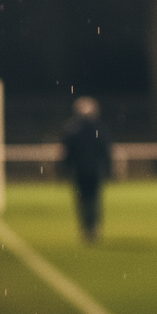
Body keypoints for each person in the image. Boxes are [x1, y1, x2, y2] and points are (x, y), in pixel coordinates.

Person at [60, 96, 111, 242]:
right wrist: (108, 169)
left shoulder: (71, 128)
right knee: (94, 199)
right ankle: (93, 228)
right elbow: (105, 151)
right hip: (94, 170)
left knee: (82, 199)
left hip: (79, 170)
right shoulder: (98, 128)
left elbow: (67, 153)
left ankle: (86, 229)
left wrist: (64, 170)